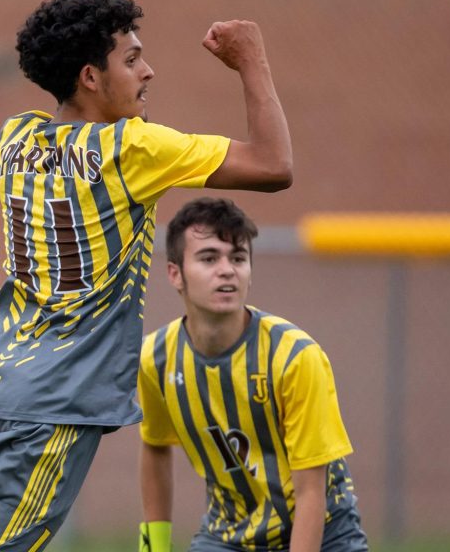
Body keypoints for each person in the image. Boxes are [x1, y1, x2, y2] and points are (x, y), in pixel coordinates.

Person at [0, 0, 294, 551]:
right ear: (89, 76)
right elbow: (274, 165)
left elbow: (58, 81)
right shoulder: (133, 148)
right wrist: (252, 61)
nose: (147, 71)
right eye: (131, 58)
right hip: (57, 396)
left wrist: (64, 19)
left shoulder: (16, 138)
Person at [137, 198, 368, 552]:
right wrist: (153, 547)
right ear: (175, 274)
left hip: (323, 533)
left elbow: (310, 493)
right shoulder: (156, 360)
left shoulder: (294, 357)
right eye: (209, 258)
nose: (227, 270)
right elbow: (155, 448)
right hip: (227, 534)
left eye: (238, 258)